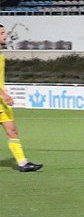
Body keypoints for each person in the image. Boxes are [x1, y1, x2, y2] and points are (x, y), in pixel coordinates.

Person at [0, 24, 43, 172]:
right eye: (1, 33)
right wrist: (4, 94)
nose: (4, 36)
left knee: (12, 130)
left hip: (1, 103)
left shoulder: (1, 55)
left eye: (4, 32)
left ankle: (23, 163)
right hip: (1, 98)